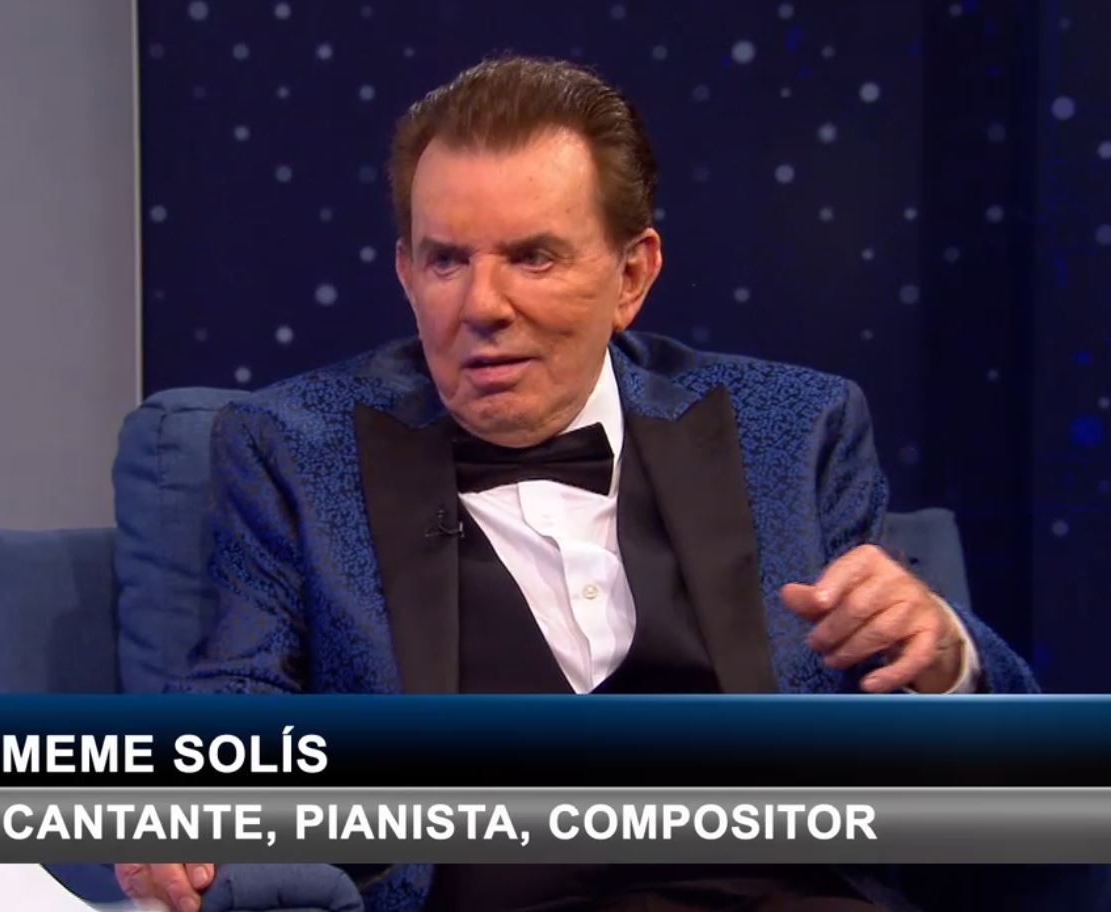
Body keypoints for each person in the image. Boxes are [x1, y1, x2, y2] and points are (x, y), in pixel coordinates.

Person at [118, 56, 1036, 912]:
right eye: (446, 260)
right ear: (405, 272)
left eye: (533, 257)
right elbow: (238, 686)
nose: (481, 306)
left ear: (631, 275)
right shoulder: (293, 447)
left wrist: (946, 662)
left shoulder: (796, 429)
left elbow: (966, 748)